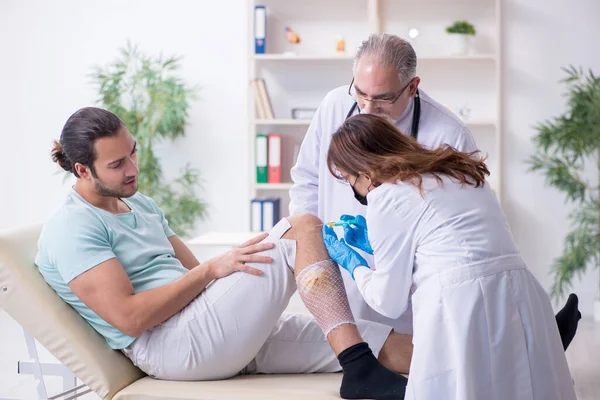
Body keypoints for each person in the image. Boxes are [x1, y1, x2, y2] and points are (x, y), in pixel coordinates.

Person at [35, 107, 413, 400]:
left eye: (133, 153)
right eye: (117, 165)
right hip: (172, 346)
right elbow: (131, 320)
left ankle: (451, 370)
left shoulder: (141, 205)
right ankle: (358, 368)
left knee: (384, 341)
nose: (133, 169)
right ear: (83, 170)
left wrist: (228, 280)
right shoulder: (73, 228)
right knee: (302, 226)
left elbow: (199, 279)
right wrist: (213, 271)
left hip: (209, 328)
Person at [289, 32, 581, 349]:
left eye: (383, 98)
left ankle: (533, 339)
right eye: (360, 94)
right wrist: (313, 246)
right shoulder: (334, 105)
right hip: (347, 275)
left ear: (412, 87)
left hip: (421, 288)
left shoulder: (447, 132)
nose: (368, 109)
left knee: (435, 355)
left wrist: (368, 256)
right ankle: (537, 339)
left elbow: (462, 222)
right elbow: (306, 179)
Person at [322, 114, 577, 400]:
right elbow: (448, 242)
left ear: (365, 171)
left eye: (348, 179)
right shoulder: (461, 173)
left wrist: (353, 263)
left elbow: (388, 301)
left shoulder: (386, 197)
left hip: (462, 305)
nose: (354, 188)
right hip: (522, 294)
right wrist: (374, 245)